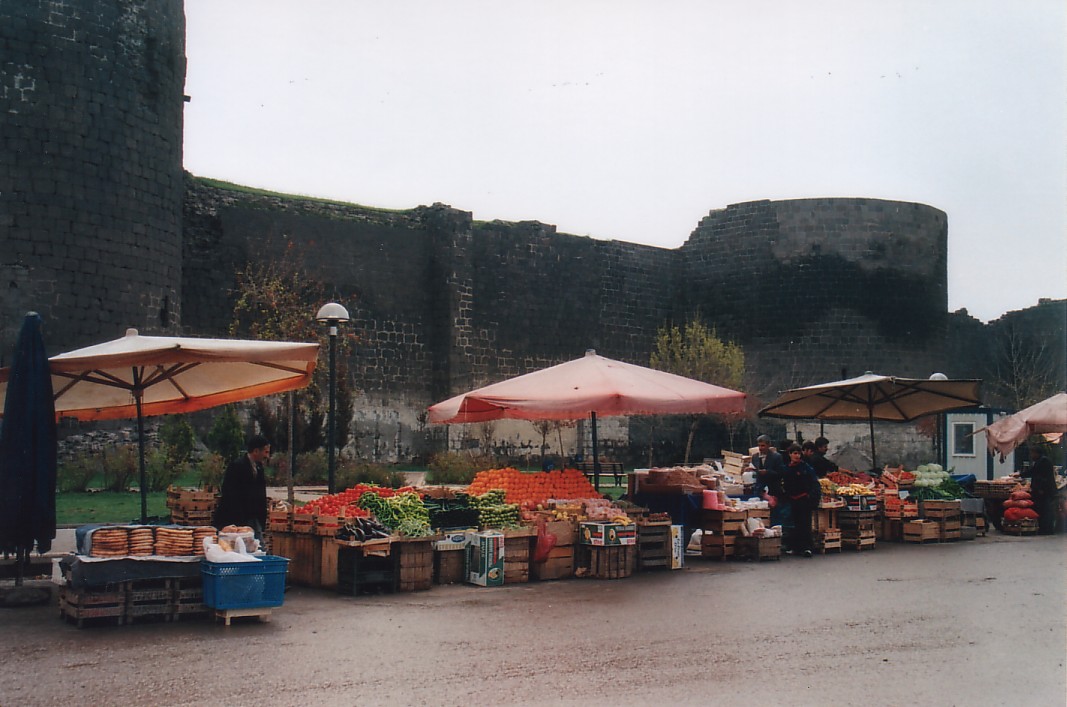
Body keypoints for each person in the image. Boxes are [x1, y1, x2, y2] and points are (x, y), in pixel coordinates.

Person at [213, 434, 271, 540]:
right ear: (256, 451)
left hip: (253, 519)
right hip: (236, 520)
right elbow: (229, 494)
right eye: (266, 452)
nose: (267, 456)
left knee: (258, 548)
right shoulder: (237, 466)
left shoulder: (259, 468)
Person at [781, 443, 822, 557]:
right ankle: (795, 547)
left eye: (799, 453)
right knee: (794, 524)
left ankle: (807, 548)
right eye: (794, 453)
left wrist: (811, 497)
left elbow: (814, 484)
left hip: (804, 500)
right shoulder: (786, 469)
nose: (797, 456)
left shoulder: (806, 468)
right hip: (792, 500)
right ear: (790, 454)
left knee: (805, 524)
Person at [751, 434, 789, 535]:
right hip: (760, 489)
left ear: (768, 445)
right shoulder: (755, 457)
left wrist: (767, 472)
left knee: (775, 515)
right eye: (759, 445)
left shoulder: (776, 457)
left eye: (763, 445)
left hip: (773, 489)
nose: (760, 448)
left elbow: (780, 473)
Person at [1020, 444, 1058, 535]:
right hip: (1041, 490)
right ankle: (1044, 528)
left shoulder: (1044, 461)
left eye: (1032, 453)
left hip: (1045, 491)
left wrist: (1041, 488)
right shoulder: (1039, 461)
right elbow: (1033, 472)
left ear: (1036, 453)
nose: (1031, 455)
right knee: (1043, 510)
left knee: (1045, 510)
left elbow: (1043, 477)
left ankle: (1047, 529)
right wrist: (1021, 475)